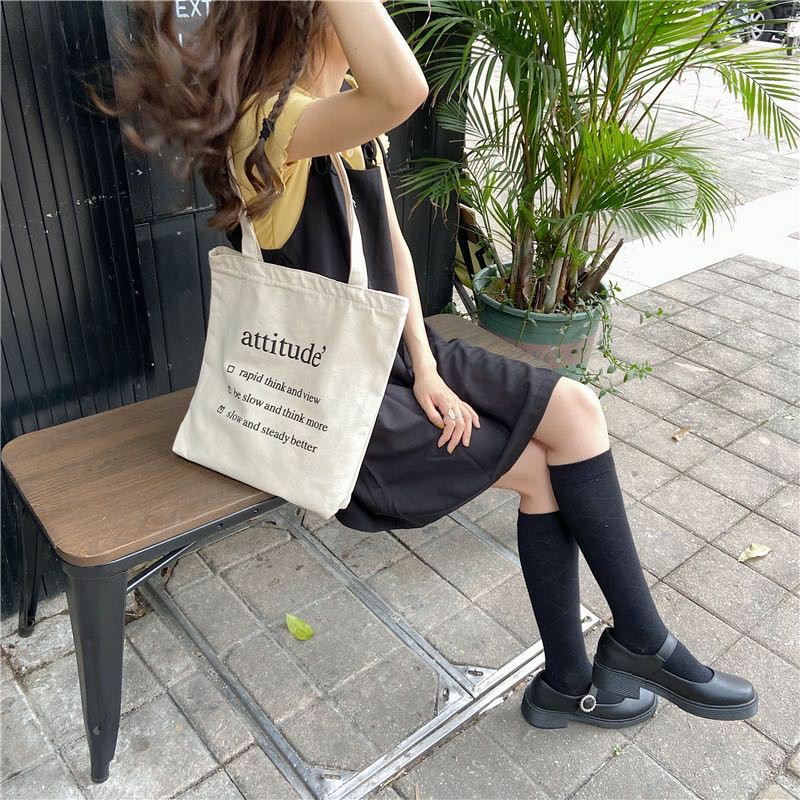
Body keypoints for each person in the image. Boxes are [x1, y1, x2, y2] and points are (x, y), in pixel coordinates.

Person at [98, 0, 757, 730]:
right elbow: (403, 89)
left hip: (395, 356)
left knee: (578, 412)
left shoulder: (343, 117)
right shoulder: (268, 124)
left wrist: (428, 368)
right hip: (335, 402)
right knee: (543, 474)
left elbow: (394, 248)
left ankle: (635, 640)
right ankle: (578, 676)